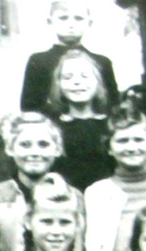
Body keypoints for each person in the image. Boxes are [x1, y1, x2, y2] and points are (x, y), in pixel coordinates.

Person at [0, 113, 86, 251]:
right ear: (10, 149)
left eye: (43, 145)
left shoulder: (73, 196)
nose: (34, 152)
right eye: (25, 145)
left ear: (57, 149)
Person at [81, 105, 146, 251]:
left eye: (138, 140)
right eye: (122, 141)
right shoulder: (97, 193)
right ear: (109, 148)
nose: (131, 147)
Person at [19, 0, 119, 115]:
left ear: (89, 23)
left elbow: (113, 105)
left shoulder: (101, 62)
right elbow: (29, 107)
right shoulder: (38, 61)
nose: (71, 24)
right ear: (50, 21)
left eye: (78, 18)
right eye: (63, 18)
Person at [43, 47, 114, 191]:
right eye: (68, 77)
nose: (77, 82)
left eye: (84, 76)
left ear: (97, 82)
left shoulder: (112, 125)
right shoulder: (51, 129)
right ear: (59, 85)